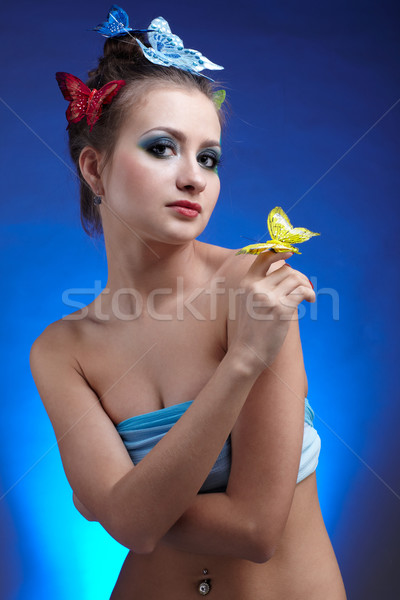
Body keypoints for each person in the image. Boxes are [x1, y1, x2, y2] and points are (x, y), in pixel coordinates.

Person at [30, 10, 347, 599]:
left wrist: (120, 505)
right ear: (94, 167)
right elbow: (130, 528)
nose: (194, 178)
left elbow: (256, 529)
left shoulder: (255, 281)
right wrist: (242, 362)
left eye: (209, 157)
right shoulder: (61, 350)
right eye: (162, 148)